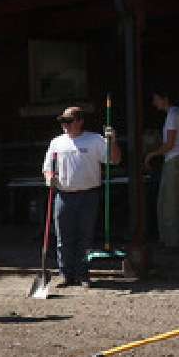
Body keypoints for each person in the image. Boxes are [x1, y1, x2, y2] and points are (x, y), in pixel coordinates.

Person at [41, 106, 121, 288]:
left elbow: (114, 159)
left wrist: (113, 141)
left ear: (80, 121)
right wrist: (49, 177)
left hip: (88, 195)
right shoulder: (56, 142)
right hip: (64, 195)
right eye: (62, 122)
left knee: (85, 237)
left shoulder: (95, 140)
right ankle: (66, 274)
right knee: (63, 238)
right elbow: (47, 167)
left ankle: (83, 273)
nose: (65, 125)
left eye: (68, 121)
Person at [144, 91, 179, 248]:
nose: (154, 103)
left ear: (165, 98)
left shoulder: (173, 114)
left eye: (156, 99)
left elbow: (170, 144)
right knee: (167, 201)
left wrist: (151, 154)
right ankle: (168, 239)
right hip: (178, 158)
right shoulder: (178, 112)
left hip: (174, 160)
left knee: (170, 203)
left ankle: (173, 242)